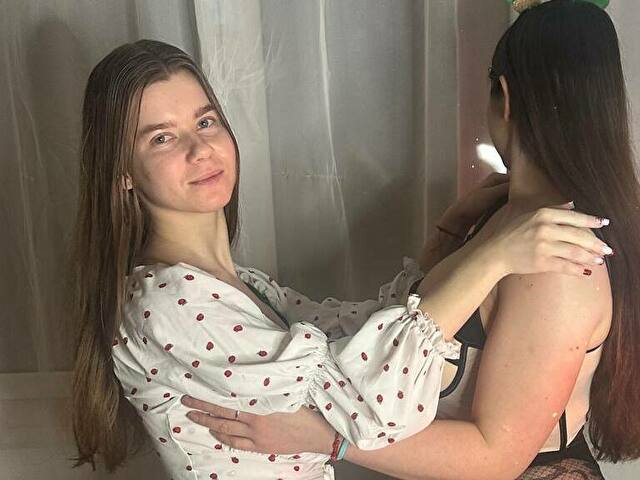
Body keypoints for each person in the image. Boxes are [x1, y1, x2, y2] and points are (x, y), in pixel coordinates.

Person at [70, 38, 611, 480]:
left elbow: (357, 339)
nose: (199, 149)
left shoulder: (243, 287)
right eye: (162, 138)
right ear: (122, 174)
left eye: (206, 122)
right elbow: (370, 400)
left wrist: (449, 239)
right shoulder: (168, 303)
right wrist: (492, 257)